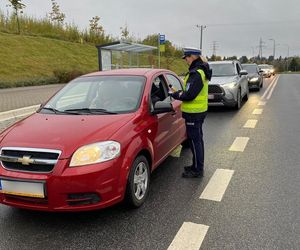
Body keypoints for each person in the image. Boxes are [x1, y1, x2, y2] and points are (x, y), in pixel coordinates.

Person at [169, 47, 212, 178]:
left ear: (192, 57)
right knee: (197, 140)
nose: (186, 60)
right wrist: (179, 93)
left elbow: (189, 95)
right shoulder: (199, 71)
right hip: (198, 111)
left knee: (195, 141)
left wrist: (175, 94)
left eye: (186, 58)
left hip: (194, 113)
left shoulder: (196, 73)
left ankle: (198, 170)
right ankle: (196, 166)